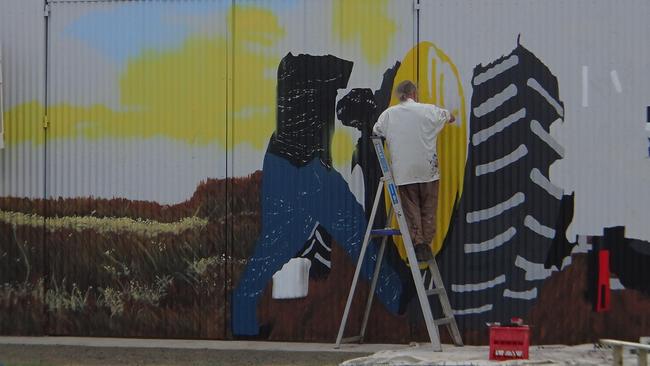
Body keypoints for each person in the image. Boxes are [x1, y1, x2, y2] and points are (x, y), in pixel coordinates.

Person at [372, 80, 455, 262]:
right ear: (414, 94)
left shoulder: (389, 115)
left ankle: (418, 244)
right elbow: (450, 117)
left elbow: (376, 131)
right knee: (429, 208)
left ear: (399, 95)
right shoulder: (429, 110)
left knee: (411, 209)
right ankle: (426, 243)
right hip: (427, 169)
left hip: (404, 171)